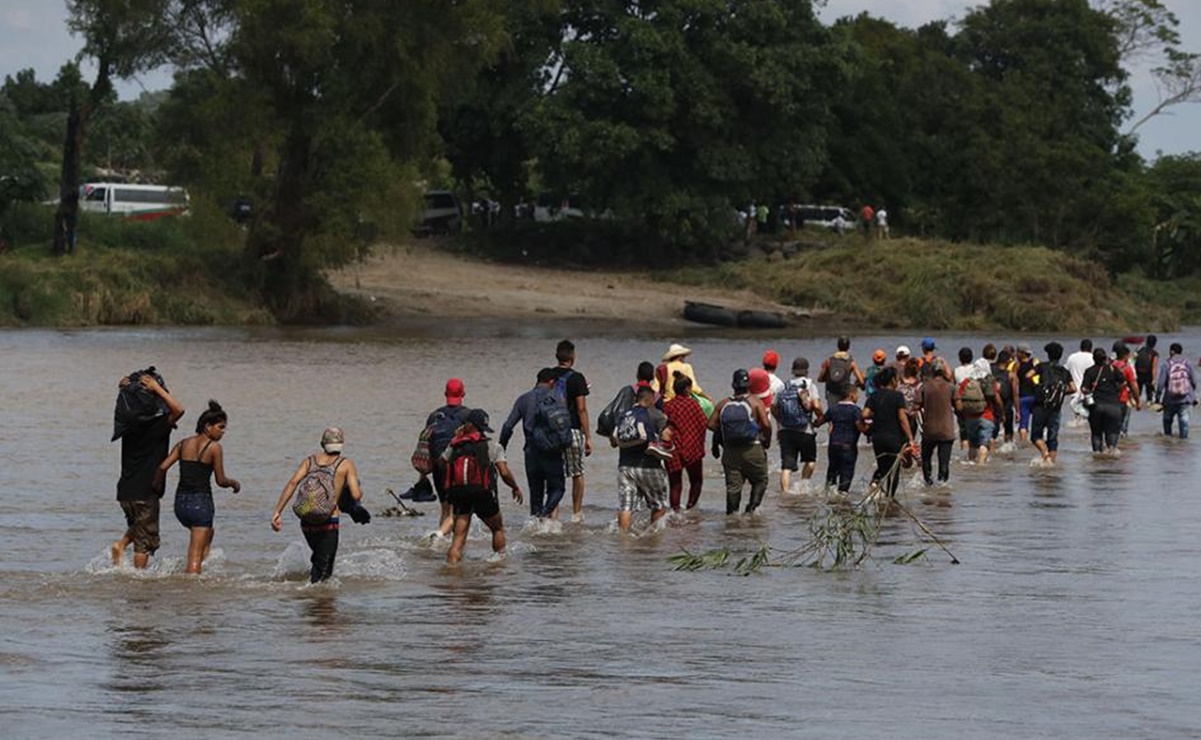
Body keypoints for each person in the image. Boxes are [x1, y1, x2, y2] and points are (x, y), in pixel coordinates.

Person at [111, 369, 186, 569]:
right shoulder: (158, 424)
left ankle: (121, 545)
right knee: (144, 544)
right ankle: (139, 584)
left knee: (138, 528)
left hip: (126, 491)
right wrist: (158, 389)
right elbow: (179, 410)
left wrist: (123, 388)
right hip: (145, 492)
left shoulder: (128, 425)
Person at [155, 400, 241, 574]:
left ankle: (204, 568)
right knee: (194, 559)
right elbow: (220, 480)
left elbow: (162, 467)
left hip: (180, 505)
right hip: (200, 503)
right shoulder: (214, 448)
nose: (223, 432)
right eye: (221, 427)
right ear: (207, 426)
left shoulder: (183, 444)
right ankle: (192, 594)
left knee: (209, 533)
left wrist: (156, 486)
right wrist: (234, 483)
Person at [271, 427, 365, 583]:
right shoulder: (346, 464)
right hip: (328, 520)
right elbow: (356, 494)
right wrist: (354, 492)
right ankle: (318, 601)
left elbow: (293, 483)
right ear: (342, 444)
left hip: (307, 519)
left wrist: (277, 512)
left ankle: (312, 601)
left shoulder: (309, 461)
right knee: (325, 572)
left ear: (322, 444)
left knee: (319, 559)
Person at [443, 409, 523, 564]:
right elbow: (504, 472)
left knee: (458, 537)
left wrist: (456, 437)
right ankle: (499, 564)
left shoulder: (455, 445)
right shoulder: (492, 446)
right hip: (483, 493)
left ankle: (451, 571)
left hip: (460, 494)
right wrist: (515, 487)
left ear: (467, 425)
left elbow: (442, 462)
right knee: (497, 528)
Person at [499, 368, 568, 520]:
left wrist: (501, 449)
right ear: (551, 382)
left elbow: (508, 426)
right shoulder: (558, 398)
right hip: (552, 452)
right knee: (558, 488)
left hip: (531, 453)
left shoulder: (523, 399)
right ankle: (545, 515)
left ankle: (536, 526)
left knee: (535, 494)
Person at [709, 369, 772, 515]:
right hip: (753, 448)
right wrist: (766, 441)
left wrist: (724, 435)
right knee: (760, 480)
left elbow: (711, 424)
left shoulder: (723, 404)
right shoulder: (756, 403)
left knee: (733, 486)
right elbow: (767, 425)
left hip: (730, 451)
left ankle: (732, 517)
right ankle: (751, 510)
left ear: (733, 385)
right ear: (748, 384)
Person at [614, 384, 674, 531]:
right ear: (651, 399)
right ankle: (653, 539)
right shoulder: (655, 414)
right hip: (649, 466)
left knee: (626, 506)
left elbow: (614, 438)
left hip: (625, 466)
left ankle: (624, 540)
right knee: (658, 505)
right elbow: (667, 435)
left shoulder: (625, 414)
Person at [423, 378, 472, 538]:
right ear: (463, 393)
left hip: (438, 467)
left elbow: (426, 445)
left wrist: (423, 474)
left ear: (445, 394)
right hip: (457, 467)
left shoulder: (434, 416)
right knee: (456, 511)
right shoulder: (468, 415)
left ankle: (442, 541)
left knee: (445, 507)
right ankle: (439, 536)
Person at [551, 340, 592, 523]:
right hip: (572, 430)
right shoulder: (577, 378)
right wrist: (588, 437)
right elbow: (581, 409)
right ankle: (576, 514)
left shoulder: (548, 375)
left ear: (557, 356)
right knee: (577, 473)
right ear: (572, 358)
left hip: (551, 432)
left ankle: (553, 516)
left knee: (555, 474)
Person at [862, 367, 916, 498]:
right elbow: (902, 418)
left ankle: (876, 485)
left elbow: (865, 414)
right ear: (892, 380)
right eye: (897, 379)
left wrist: (877, 416)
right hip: (894, 438)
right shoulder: (897, 396)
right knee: (894, 470)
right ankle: (890, 498)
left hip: (878, 437)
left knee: (882, 466)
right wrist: (910, 438)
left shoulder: (874, 395)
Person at [772, 357, 822, 495]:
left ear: (793, 370)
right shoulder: (809, 385)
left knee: (786, 467)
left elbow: (773, 408)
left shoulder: (784, 386)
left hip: (786, 431)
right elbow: (817, 406)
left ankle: (786, 494)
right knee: (810, 461)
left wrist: (781, 421)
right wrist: (821, 418)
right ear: (807, 370)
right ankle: (803, 486)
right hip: (805, 430)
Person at [662, 375, 708, 511]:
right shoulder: (693, 405)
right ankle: (690, 508)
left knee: (675, 484)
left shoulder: (668, 406)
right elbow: (703, 423)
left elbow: (662, 427)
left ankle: (675, 512)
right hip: (692, 448)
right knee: (696, 481)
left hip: (673, 449)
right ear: (687, 389)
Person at [1081, 348, 1136, 455]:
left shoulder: (1089, 371)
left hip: (1096, 407)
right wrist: (1117, 391)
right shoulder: (1113, 369)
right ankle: (1111, 455)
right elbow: (1124, 382)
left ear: (1094, 359)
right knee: (1112, 432)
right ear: (1105, 358)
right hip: (1114, 407)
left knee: (1096, 434)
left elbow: (1084, 389)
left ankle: (1097, 457)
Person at [1030, 342, 1076, 466]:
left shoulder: (1041, 366)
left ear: (1048, 354)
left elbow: (1028, 375)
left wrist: (1037, 387)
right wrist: (1059, 392)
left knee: (1035, 435)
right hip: (1056, 408)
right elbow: (1073, 388)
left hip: (1040, 406)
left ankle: (1044, 454)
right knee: (1053, 437)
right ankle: (1052, 463)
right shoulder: (1064, 371)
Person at [818, 386, 865, 493]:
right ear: (852, 395)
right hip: (848, 446)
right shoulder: (855, 410)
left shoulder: (833, 409)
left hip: (833, 445)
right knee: (846, 472)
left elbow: (820, 421)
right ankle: (842, 495)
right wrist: (869, 429)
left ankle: (829, 493)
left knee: (832, 470)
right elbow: (860, 427)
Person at [955, 359, 1003, 464]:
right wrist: (1001, 412)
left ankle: (971, 464)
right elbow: (997, 399)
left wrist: (962, 414)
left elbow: (958, 399)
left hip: (970, 418)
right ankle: (981, 465)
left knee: (972, 445)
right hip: (987, 416)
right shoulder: (990, 381)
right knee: (984, 444)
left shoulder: (966, 382)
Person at [915, 363, 955, 486]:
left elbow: (916, 407)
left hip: (929, 430)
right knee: (944, 462)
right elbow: (959, 406)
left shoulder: (924, 387)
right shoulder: (951, 387)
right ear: (943, 373)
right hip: (946, 430)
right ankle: (942, 486)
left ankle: (928, 483)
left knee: (926, 458)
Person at [1156, 343, 1196, 439]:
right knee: (1184, 420)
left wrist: (1158, 398)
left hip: (1169, 399)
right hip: (1184, 398)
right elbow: (1193, 381)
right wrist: (1191, 394)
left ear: (1171, 351)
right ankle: (1183, 441)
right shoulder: (1187, 363)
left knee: (1167, 420)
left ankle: (1168, 440)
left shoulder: (1166, 364)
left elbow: (1161, 384)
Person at [817, 336, 866, 406]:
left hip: (831, 392)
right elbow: (861, 381)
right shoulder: (851, 362)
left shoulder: (829, 361)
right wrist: (858, 385)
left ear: (838, 346)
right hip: (845, 394)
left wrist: (831, 378)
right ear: (848, 347)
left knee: (832, 414)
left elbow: (819, 379)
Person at [986, 345, 1016, 444]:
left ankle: (991, 450)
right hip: (1007, 403)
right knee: (1008, 430)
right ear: (1008, 361)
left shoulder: (989, 370)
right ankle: (1008, 449)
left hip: (991, 403)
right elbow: (1015, 394)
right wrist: (1018, 411)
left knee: (993, 431)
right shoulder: (1011, 374)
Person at [1111, 342, 1141, 436]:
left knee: (1111, 426)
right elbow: (1134, 386)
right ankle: (1122, 446)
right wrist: (1137, 401)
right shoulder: (1127, 368)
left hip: (1110, 399)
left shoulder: (1110, 366)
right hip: (1123, 399)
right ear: (1125, 356)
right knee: (1123, 427)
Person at [1013, 343, 1041, 443]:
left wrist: (1016, 408)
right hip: (1035, 396)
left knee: (1023, 424)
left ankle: (1023, 444)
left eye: (1017, 352)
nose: (1015, 354)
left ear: (1021, 353)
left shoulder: (1017, 366)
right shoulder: (1035, 363)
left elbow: (1015, 384)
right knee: (1037, 421)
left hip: (1023, 397)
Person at [1064, 339, 1095, 421]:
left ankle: (1076, 432)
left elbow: (1065, 372)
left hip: (1074, 391)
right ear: (1091, 348)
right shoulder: (1093, 358)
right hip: (1089, 392)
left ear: (1080, 347)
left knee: (1077, 417)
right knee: (1089, 417)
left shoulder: (1072, 357)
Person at [1134, 335, 1160, 405]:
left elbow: (1133, 361)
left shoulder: (1139, 350)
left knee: (1138, 391)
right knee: (1149, 392)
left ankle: (1136, 402)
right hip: (1148, 375)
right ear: (1154, 343)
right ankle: (1149, 402)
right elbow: (1154, 367)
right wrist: (1154, 379)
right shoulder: (1154, 354)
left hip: (1138, 373)